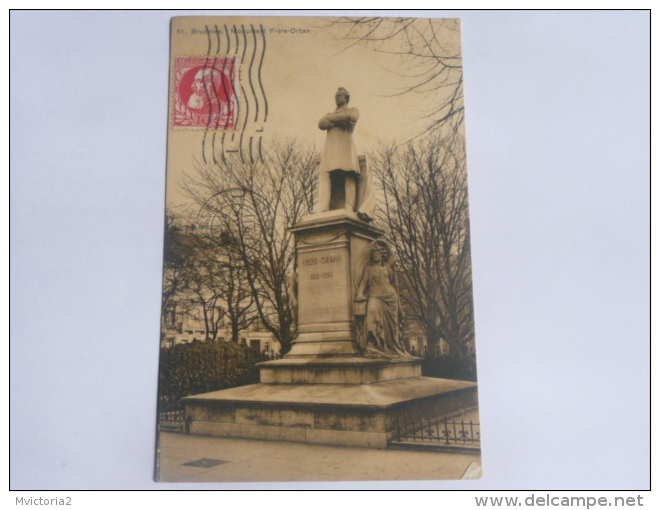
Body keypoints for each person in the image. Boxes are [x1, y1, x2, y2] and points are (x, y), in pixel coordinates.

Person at [354, 241, 411, 358]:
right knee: (371, 317)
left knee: (392, 325)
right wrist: (360, 293)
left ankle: (390, 346)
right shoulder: (369, 268)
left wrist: (385, 244)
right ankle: (373, 344)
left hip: (390, 298)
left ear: (382, 256)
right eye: (374, 254)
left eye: (378, 254)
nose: (375, 256)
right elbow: (363, 283)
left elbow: (393, 256)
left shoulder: (387, 266)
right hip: (375, 296)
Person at [316, 87, 361, 213]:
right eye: (336, 95)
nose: (336, 97)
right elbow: (321, 124)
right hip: (330, 148)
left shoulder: (352, 109)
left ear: (346, 98)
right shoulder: (331, 113)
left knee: (348, 173)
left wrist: (331, 118)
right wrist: (339, 119)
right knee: (325, 173)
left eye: (339, 95)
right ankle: (323, 204)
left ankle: (349, 205)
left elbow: (351, 117)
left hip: (345, 146)